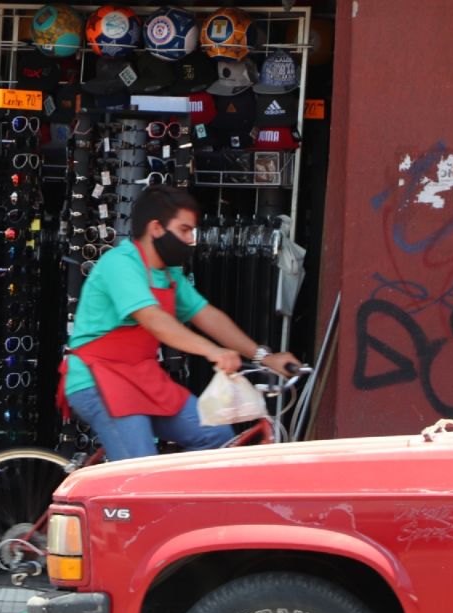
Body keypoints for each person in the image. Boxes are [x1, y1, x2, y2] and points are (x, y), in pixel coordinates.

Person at [59, 185, 300, 462]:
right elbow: (154, 320)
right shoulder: (120, 264)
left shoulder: (169, 274)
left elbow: (208, 316)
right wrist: (212, 351)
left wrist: (265, 357)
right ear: (156, 228)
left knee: (218, 437)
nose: (190, 239)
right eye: (185, 230)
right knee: (140, 471)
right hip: (98, 379)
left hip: (143, 377)